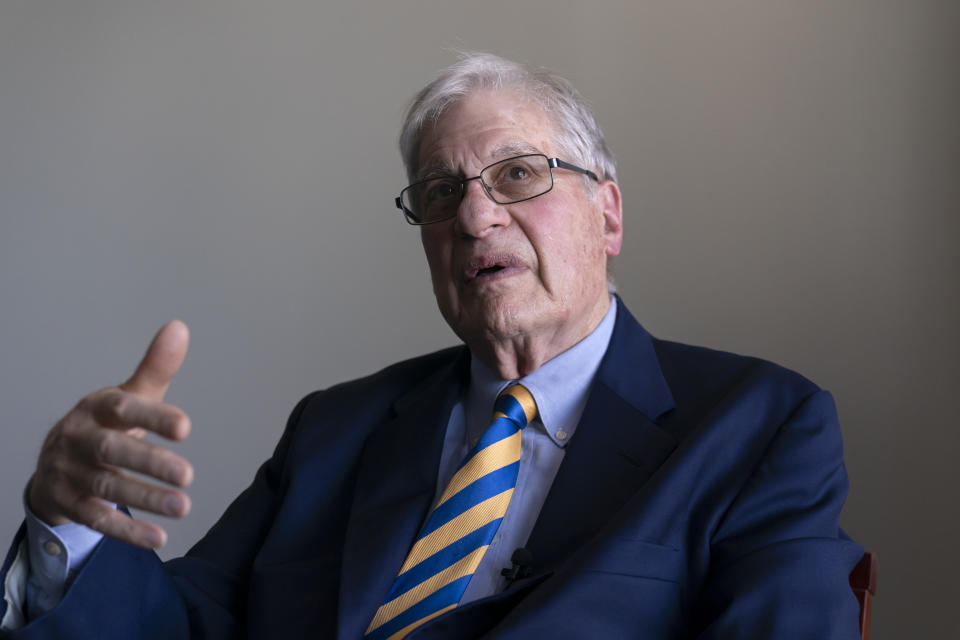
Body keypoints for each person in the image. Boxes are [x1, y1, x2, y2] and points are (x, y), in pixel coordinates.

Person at [0, 53, 863, 638]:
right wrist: (64, 528)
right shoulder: (336, 428)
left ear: (607, 215)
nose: (475, 217)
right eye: (442, 192)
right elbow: (184, 623)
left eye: (519, 175)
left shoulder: (760, 425)